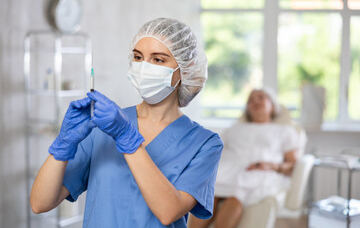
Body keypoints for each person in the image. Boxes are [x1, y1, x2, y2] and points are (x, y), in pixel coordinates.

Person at [30, 18, 223, 228]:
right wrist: (63, 145)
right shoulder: (102, 127)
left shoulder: (205, 144)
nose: (144, 67)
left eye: (158, 60)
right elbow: (40, 204)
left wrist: (127, 138)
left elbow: (169, 212)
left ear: (186, 68)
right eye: (138, 57)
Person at [189, 88, 299, 228]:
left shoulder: (284, 131)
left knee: (236, 194)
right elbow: (216, 150)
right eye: (251, 100)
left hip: (257, 170)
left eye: (260, 98)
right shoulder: (235, 128)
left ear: (272, 105)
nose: (255, 102)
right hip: (228, 168)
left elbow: (293, 165)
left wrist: (272, 166)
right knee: (209, 193)